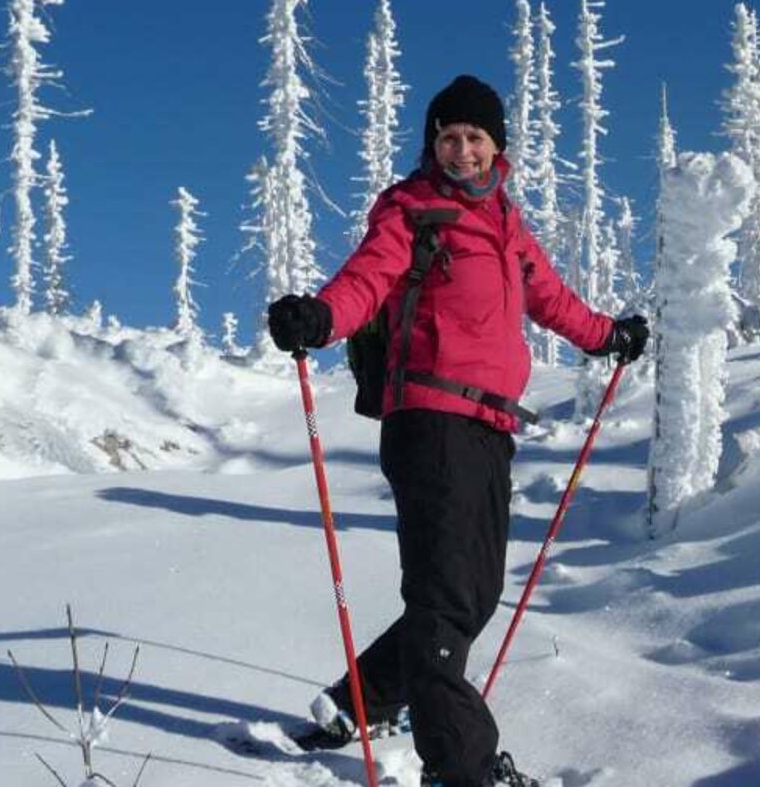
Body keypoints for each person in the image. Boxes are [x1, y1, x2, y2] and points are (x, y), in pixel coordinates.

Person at [267, 74, 648, 787]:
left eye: (475, 138)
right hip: (429, 422)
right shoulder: (412, 212)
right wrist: (320, 318)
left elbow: (553, 300)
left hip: (487, 429)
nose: (462, 150)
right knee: (445, 598)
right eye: (449, 137)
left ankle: (360, 701)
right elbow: (367, 278)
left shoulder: (504, 225)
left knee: (471, 594)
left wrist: (609, 337)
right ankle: (462, 768)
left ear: (496, 148)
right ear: (432, 144)